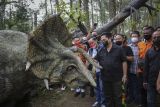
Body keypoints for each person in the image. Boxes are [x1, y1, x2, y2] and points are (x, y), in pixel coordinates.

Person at [96, 32, 127, 107]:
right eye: (101, 40)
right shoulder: (101, 49)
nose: (102, 41)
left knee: (117, 96)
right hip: (105, 78)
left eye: (104, 39)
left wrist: (125, 75)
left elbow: (124, 62)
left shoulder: (119, 49)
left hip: (117, 78)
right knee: (108, 97)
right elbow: (96, 60)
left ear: (110, 38)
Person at [138, 26, 154, 107]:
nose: (145, 35)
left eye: (147, 33)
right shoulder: (140, 44)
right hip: (141, 71)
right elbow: (138, 57)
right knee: (142, 90)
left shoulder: (155, 44)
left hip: (151, 72)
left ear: (152, 34)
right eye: (144, 33)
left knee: (151, 91)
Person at [143, 30, 160, 107]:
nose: (156, 38)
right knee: (150, 101)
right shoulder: (149, 51)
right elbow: (146, 67)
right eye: (154, 37)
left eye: (158, 37)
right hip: (151, 80)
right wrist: (145, 81)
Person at [128, 31, 141, 106]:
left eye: (135, 36)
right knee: (131, 86)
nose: (134, 38)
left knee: (138, 86)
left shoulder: (142, 45)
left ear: (139, 37)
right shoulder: (129, 46)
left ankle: (138, 100)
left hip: (139, 71)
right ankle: (132, 98)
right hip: (130, 70)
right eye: (133, 36)